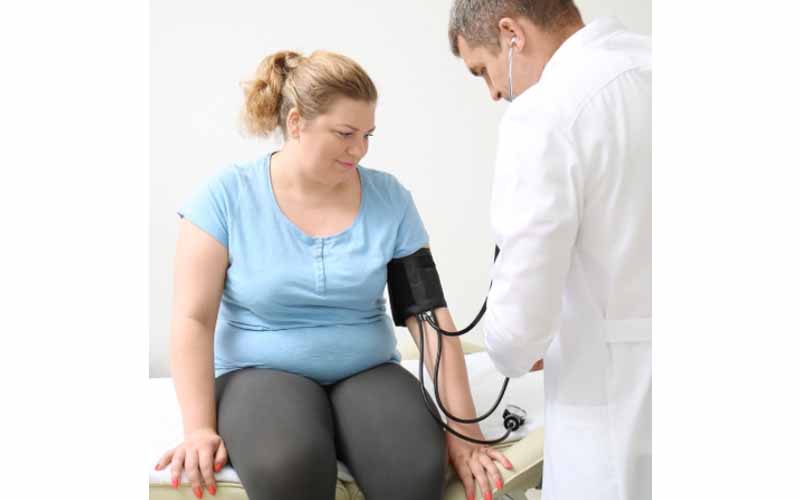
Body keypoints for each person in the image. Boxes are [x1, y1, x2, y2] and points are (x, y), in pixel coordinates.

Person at [153, 49, 512, 500]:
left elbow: (429, 317)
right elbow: (193, 319)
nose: (359, 149)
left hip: (366, 368)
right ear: (297, 122)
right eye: (345, 133)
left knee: (416, 471)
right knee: (290, 469)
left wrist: (465, 430)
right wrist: (199, 428)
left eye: (367, 135)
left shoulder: (390, 199)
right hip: (258, 371)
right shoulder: (225, 197)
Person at [447, 1, 652, 499]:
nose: (494, 90)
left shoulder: (546, 111)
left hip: (612, 401)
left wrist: (511, 348)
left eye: (483, 70)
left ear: (511, 33)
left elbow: (519, 329)